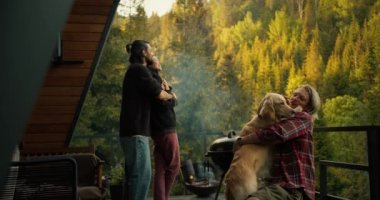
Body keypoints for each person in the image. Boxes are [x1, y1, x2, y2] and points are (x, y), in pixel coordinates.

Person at [234, 84, 321, 200]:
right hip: (274, 185)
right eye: (294, 94)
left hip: (291, 188)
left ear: (308, 107)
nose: (295, 98)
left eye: (301, 98)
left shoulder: (304, 118)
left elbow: (276, 133)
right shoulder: (283, 119)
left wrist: (242, 141)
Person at [119, 40, 174, 200]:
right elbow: (160, 94)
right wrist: (171, 95)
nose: (152, 53)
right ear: (143, 52)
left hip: (130, 133)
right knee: (141, 177)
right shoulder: (139, 70)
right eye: (151, 51)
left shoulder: (134, 71)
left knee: (134, 178)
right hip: (136, 133)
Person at [148, 56, 181, 200]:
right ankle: (164, 197)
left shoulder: (155, 80)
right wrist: (172, 97)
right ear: (150, 64)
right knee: (174, 166)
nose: (159, 61)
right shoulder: (154, 81)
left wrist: (169, 92)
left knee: (160, 169)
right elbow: (164, 104)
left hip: (157, 130)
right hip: (166, 129)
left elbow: (167, 99)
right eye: (155, 59)